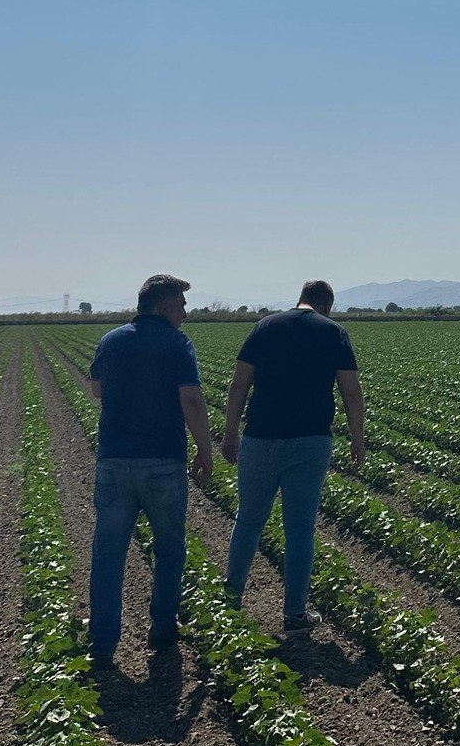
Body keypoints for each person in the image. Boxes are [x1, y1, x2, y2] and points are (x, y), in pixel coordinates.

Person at [221, 279, 365, 634]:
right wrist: (357, 439)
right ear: (326, 305)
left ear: (300, 299)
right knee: (299, 529)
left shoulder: (265, 326)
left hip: (260, 438)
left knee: (249, 520)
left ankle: (230, 599)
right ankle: (294, 614)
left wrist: (229, 434)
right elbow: (351, 392)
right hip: (310, 442)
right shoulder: (333, 332)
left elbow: (239, 385)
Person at [86, 273, 215, 667]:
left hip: (113, 461)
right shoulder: (177, 344)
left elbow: (96, 389)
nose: (186, 312)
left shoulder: (111, 341)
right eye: (182, 304)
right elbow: (191, 400)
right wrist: (204, 449)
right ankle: (162, 628)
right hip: (163, 462)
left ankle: (102, 641)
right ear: (163, 306)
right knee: (169, 548)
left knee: (108, 554)